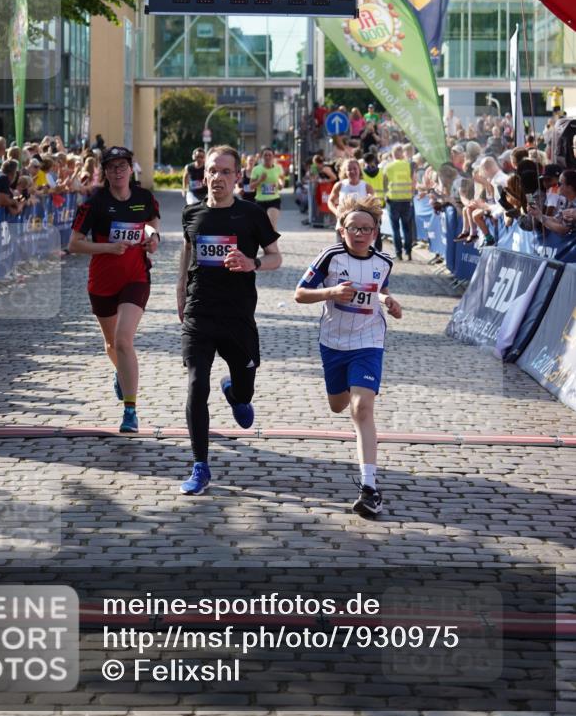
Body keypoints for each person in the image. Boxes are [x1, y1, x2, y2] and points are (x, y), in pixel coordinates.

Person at [176, 145, 281, 495]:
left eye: (224, 172)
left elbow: (275, 256)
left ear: (237, 176)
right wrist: (180, 295)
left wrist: (254, 264)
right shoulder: (191, 214)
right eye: (211, 170)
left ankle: (235, 393)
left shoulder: (251, 214)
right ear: (203, 174)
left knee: (245, 385)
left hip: (238, 316)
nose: (216, 178)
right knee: (196, 385)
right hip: (199, 312)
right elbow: (186, 257)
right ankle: (200, 466)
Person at [295, 195, 401, 518]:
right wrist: (329, 292)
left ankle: (369, 487)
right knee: (338, 404)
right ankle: (368, 483)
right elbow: (299, 294)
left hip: (369, 341)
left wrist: (388, 301)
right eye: (353, 227)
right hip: (333, 341)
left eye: (366, 228)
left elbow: (380, 289)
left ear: (375, 232)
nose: (360, 233)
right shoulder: (329, 257)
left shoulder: (383, 262)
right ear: (342, 229)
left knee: (362, 407)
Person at [68, 146, 160, 433]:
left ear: (131, 169)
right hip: (102, 281)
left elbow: (151, 226)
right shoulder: (95, 203)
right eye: (111, 167)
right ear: (104, 172)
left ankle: (130, 411)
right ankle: (121, 373)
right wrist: (108, 247)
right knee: (111, 344)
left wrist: (152, 238)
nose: (117, 172)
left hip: (136, 278)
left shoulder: (144, 197)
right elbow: (74, 243)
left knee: (123, 341)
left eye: (122, 166)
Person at [383, 144, 416, 260]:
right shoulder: (409, 165)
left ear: (392, 154)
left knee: (395, 228)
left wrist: (385, 195)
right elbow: (413, 182)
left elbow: (384, 183)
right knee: (407, 228)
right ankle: (408, 252)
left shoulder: (388, 166)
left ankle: (398, 253)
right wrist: (411, 195)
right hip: (406, 200)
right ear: (402, 153)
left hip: (393, 200)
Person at [249, 146, 285, 231]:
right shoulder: (256, 169)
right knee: (260, 226)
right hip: (260, 201)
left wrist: (281, 185)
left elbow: (281, 180)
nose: (267, 157)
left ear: (273, 156)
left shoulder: (278, 168)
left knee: (272, 224)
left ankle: (273, 244)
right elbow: (251, 186)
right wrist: (260, 180)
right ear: (262, 157)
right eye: (265, 155)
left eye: (269, 155)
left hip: (274, 200)